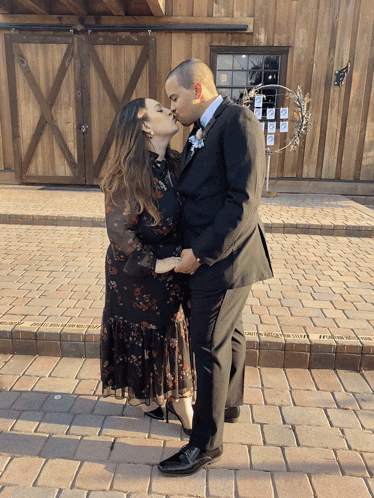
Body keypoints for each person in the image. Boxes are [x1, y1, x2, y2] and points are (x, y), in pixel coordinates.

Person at [158, 59, 273, 475]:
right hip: (212, 255)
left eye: (174, 97)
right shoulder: (199, 130)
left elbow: (243, 202)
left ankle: (205, 443)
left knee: (207, 346)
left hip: (221, 260)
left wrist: (198, 253)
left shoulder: (237, 121)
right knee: (231, 334)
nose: (171, 107)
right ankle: (228, 405)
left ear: (197, 91)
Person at [100, 98, 194, 434]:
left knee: (170, 330)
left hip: (173, 265)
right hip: (137, 271)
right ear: (144, 125)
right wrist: (158, 263)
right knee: (161, 331)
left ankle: (159, 402)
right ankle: (184, 409)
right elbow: (119, 232)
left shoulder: (177, 162)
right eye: (158, 108)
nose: (169, 110)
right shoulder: (126, 173)